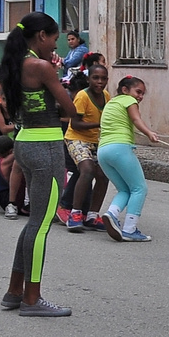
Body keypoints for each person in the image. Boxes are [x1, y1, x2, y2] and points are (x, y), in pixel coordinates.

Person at [0, 13, 79, 317]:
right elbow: (70, 108)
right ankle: (32, 298)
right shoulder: (41, 67)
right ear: (42, 36)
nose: (55, 44)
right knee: (42, 225)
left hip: (25, 141)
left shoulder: (14, 65)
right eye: (55, 38)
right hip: (46, 146)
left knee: (33, 224)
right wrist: (57, 75)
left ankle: (15, 290)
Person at [95, 75, 162, 242]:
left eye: (142, 94)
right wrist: (149, 133)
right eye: (138, 92)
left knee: (125, 189)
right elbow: (136, 119)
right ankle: (130, 229)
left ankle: (112, 214)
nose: (140, 97)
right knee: (139, 188)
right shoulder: (128, 101)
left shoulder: (111, 103)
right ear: (125, 90)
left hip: (103, 151)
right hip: (120, 149)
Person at [59, 63, 111, 231]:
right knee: (87, 170)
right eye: (95, 78)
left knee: (103, 175)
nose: (99, 82)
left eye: (103, 79)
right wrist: (99, 124)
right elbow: (75, 123)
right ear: (88, 79)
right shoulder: (82, 96)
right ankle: (75, 213)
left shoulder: (106, 96)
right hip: (76, 138)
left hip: (96, 140)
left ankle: (92, 215)